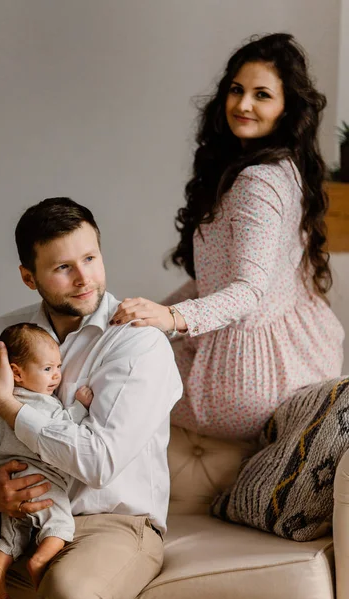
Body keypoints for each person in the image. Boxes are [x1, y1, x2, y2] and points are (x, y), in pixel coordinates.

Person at [110, 32, 345, 440]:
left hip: (249, 379)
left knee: (108, 377)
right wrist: (145, 315)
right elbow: (219, 280)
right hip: (301, 356)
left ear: (287, 108)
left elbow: (248, 290)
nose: (243, 105)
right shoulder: (287, 167)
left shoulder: (258, 182)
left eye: (262, 95)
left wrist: (170, 318)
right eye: (236, 90)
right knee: (116, 346)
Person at [0, 197, 183, 599]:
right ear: (28, 276)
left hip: (111, 524)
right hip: (10, 518)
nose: (84, 278)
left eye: (90, 258)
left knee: (69, 592)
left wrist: (9, 406)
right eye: (63, 267)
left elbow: (98, 462)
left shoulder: (138, 341)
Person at [0, 322, 93, 599]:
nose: (56, 376)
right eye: (47, 369)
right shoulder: (41, 403)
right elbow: (63, 428)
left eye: (58, 367)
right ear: (16, 373)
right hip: (41, 480)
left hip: (8, 481)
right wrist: (80, 405)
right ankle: (39, 561)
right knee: (60, 525)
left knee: (12, 533)